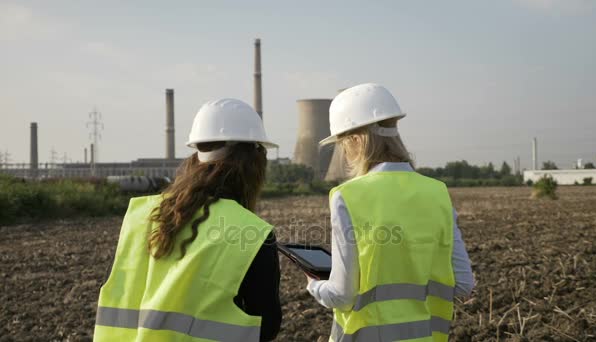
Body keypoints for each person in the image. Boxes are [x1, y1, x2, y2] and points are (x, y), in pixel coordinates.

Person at [94, 99, 282, 342]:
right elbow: (266, 325)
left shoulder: (140, 216)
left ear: (196, 154)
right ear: (254, 162)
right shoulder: (252, 233)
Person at [306, 83, 475, 342]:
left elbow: (342, 295)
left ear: (354, 140)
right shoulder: (437, 193)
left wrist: (314, 284)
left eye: (341, 144)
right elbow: (463, 284)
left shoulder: (348, 197)